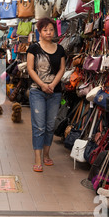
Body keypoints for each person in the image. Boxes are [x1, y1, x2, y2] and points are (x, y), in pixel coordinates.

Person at [26, 17, 66, 172]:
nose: (49, 32)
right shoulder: (33, 49)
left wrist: (53, 85)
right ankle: (37, 158)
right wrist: (42, 85)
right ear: (39, 32)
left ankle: (47, 155)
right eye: (45, 30)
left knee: (50, 126)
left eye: (51, 29)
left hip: (55, 92)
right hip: (37, 91)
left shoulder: (60, 49)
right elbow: (30, 69)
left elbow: (62, 69)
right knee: (39, 126)